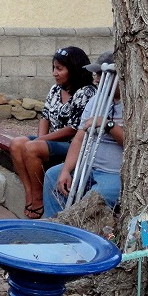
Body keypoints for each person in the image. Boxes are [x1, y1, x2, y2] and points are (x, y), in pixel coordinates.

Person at [9, 46, 96, 219]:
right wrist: (41, 139)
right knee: (17, 143)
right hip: (51, 140)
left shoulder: (86, 92)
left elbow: (73, 129)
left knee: (31, 148)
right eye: (54, 68)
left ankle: (39, 197)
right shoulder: (56, 89)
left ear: (74, 70)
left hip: (72, 145)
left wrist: (39, 142)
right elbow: (45, 117)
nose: (55, 73)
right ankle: (30, 193)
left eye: (60, 69)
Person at [43, 51, 123, 217]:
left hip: (113, 174)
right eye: (96, 74)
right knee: (53, 176)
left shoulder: (134, 103)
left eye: (102, 74)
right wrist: (66, 171)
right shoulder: (96, 100)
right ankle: (55, 228)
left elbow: (134, 143)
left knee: (90, 204)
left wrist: (109, 125)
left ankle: (74, 234)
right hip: (88, 167)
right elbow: (79, 138)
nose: (97, 79)